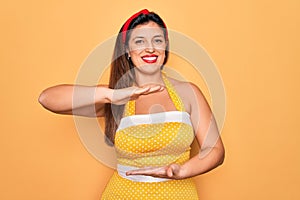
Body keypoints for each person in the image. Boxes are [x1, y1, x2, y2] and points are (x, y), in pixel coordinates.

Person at [38, 9, 225, 199]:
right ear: (127, 49)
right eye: (139, 41)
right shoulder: (115, 97)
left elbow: (215, 150)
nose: (150, 48)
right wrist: (110, 94)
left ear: (165, 47)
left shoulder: (189, 93)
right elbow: (47, 99)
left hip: (178, 194)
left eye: (157, 40)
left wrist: (182, 171)